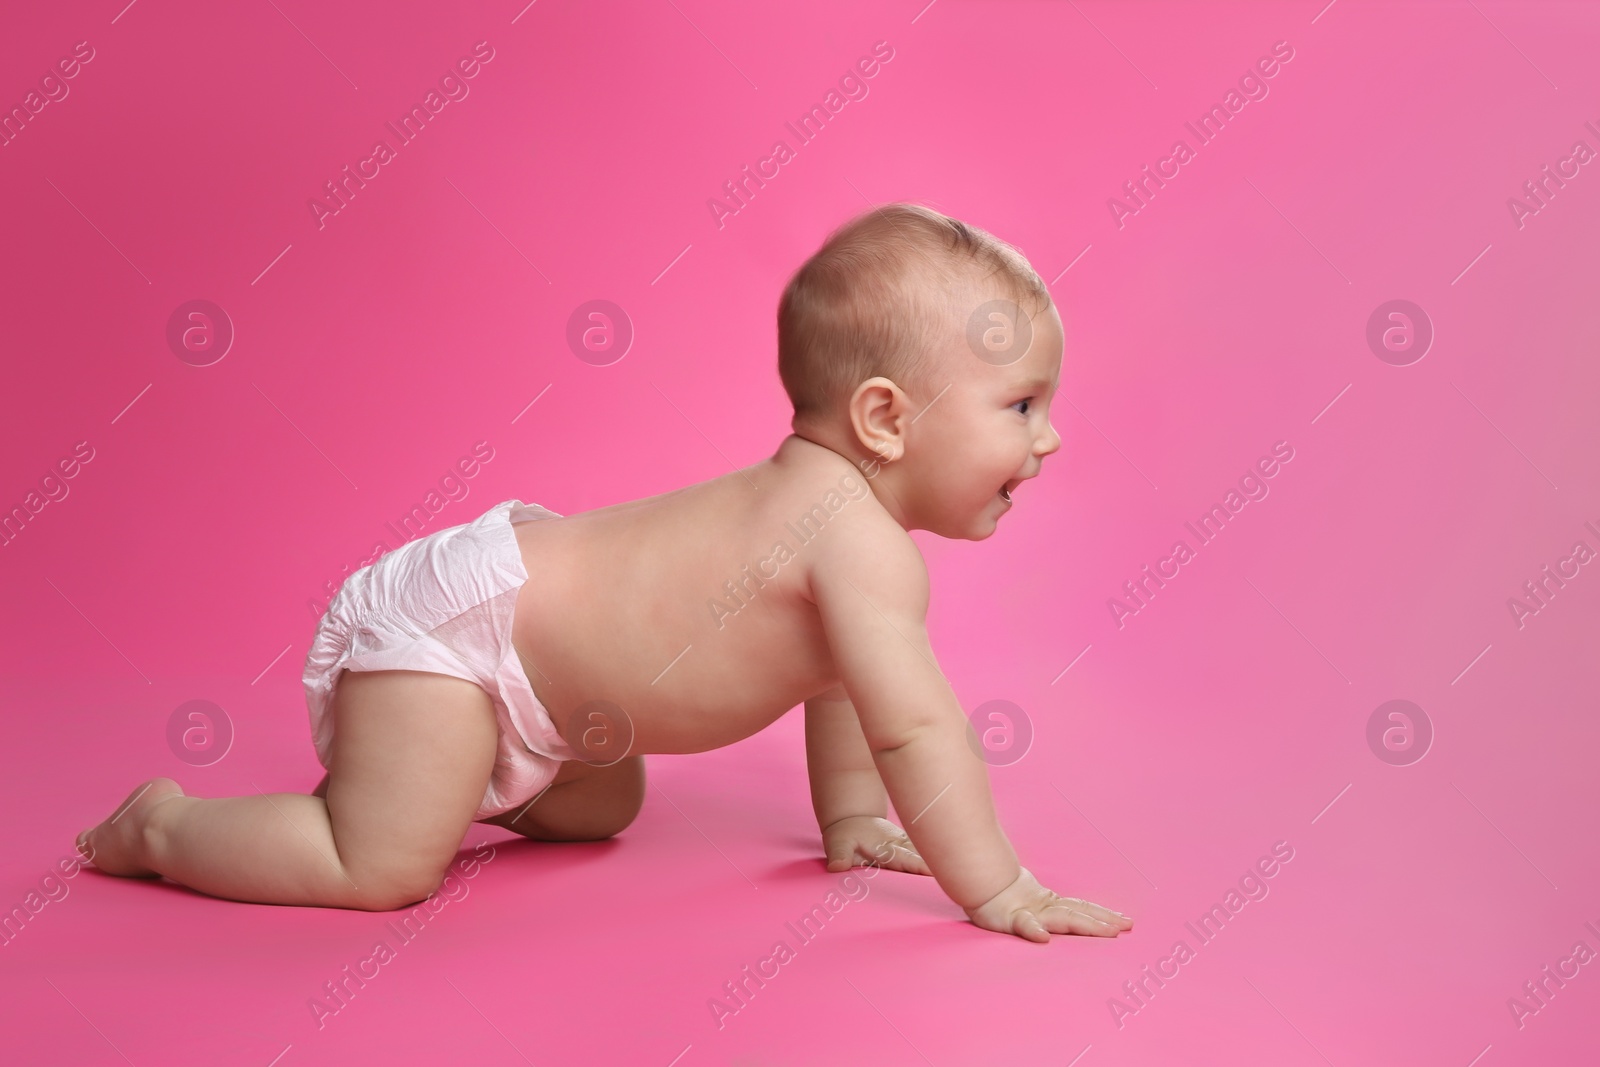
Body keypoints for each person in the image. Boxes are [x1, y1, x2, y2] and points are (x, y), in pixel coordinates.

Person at [77, 203, 1133, 943]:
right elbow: (915, 726)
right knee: (381, 868)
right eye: (1020, 406)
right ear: (884, 418)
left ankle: (436, 776)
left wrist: (850, 821)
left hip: (555, 704)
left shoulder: (844, 535)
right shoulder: (849, 540)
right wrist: (995, 885)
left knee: (599, 808)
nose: (1046, 441)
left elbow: (848, 689)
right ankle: (166, 825)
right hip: (464, 636)